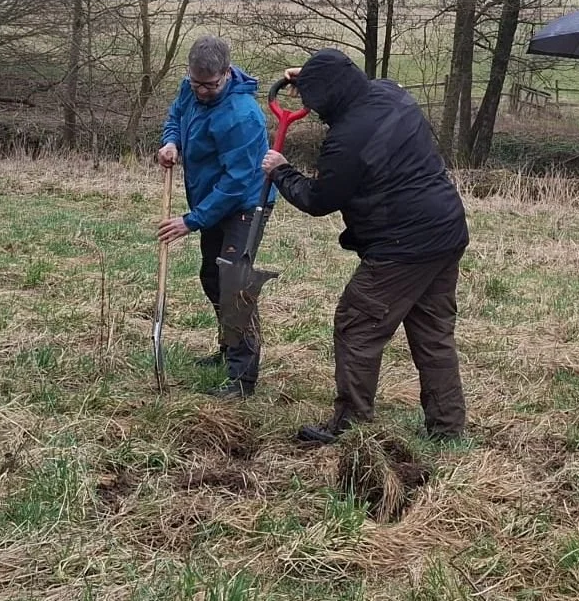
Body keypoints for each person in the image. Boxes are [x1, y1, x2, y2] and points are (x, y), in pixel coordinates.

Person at [260, 49, 468, 445]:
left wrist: (280, 171)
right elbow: (344, 79)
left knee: (356, 325)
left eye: (317, 106)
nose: (318, 115)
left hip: (402, 245)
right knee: (433, 333)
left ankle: (350, 425)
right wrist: (310, 76)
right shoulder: (390, 93)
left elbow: (319, 200)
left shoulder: (347, 141)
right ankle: (447, 430)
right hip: (446, 229)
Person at [157, 36, 272, 399]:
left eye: (210, 85)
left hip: (245, 204)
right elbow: (176, 115)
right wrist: (171, 142)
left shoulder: (242, 116)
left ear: (227, 73)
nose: (202, 91)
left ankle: (243, 379)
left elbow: (238, 183)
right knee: (211, 274)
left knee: (235, 284)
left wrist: (192, 220)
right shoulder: (189, 89)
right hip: (212, 200)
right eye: (196, 83)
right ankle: (227, 348)